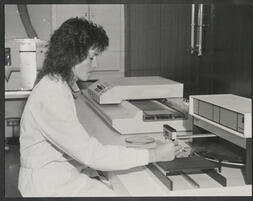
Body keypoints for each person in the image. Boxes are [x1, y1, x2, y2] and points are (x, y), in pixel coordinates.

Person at [18, 17, 182, 197]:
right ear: (73, 55)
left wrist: (145, 151)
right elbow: (91, 155)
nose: (95, 64)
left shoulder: (56, 83)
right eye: (92, 57)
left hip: (57, 174)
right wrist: (153, 155)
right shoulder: (52, 93)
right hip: (49, 185)